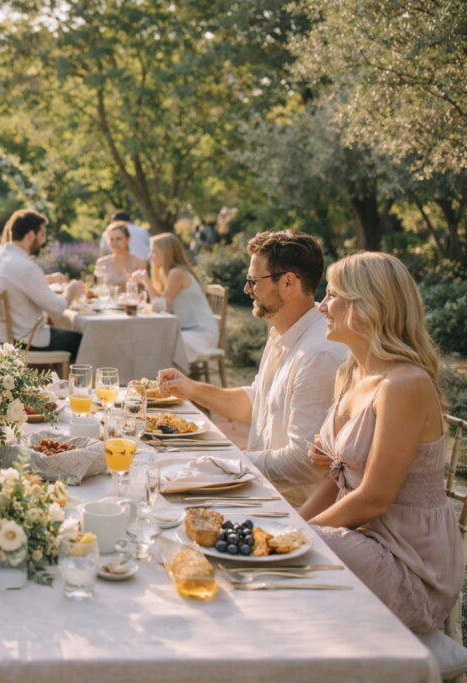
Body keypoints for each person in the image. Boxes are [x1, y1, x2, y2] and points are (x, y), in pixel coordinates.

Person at [299, 251, 462, 634]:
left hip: (409, 563)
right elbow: (335, 480)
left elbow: (374, 498)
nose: (322, 305)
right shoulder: (352, 372)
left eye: (334, 294)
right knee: (269, 542)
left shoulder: (404, 385)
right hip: (361, 537)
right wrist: (294, 523)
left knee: (291, 555)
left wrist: (297, 536)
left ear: (369, 305)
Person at [156, 230, 347, 505]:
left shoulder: (318, 353)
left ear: (288, 283)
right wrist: (190, 388)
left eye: (253, 281)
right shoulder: (284, 331)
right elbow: (256, 402)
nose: (247, 290)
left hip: (289, 508)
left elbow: (302, 462)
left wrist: (229, 464)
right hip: (262, 486)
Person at [0, 209, 86, 356]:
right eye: (42, 235)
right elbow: (56, 309)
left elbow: (10, 282)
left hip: (0, 336)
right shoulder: (26, 266)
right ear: (30, 235)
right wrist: (71, 290)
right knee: (84, 341)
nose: (43, 241)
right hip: (25, 340)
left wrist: (45, 279)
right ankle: (74, 379)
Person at [131, 233, 219, 364]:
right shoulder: (168, 272)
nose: (150, 256)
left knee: (156, 343)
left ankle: (158, 379)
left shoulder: (177, 273)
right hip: (187, 331)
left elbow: (162, 305)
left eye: (154, 252)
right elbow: (162, 304)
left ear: (166, 253)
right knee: (149, 339)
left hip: (200, 334)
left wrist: (146, 282)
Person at [94, 220, 147, 286]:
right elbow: (97, 287)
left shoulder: (140, 262)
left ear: (128, 239)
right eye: (111, 239)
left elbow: (145, 289)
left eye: (118, 239)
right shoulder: (102, 263)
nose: (114, 243)